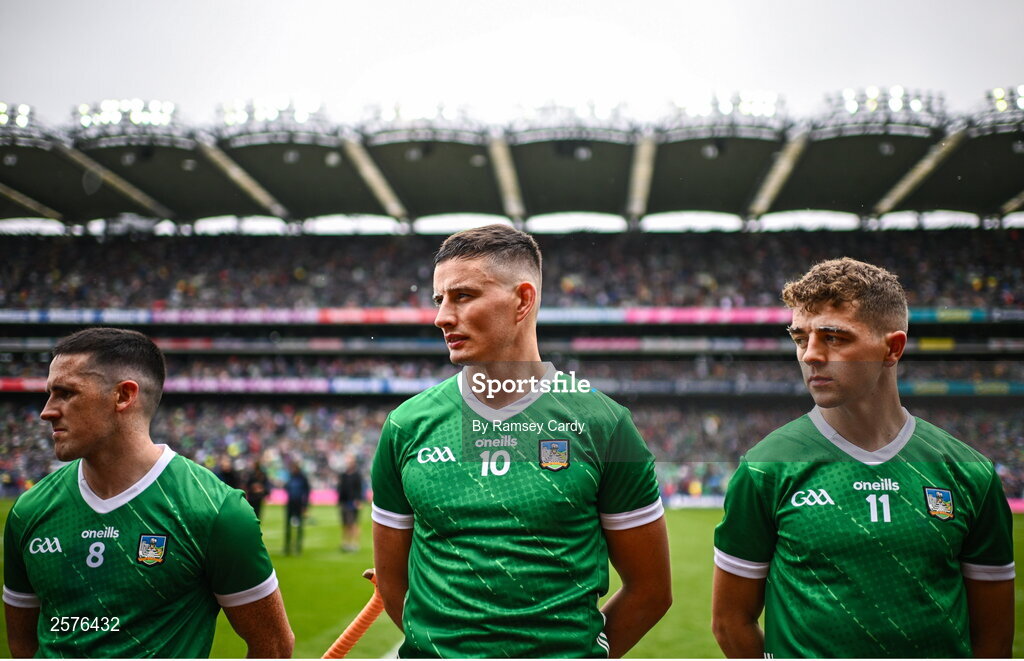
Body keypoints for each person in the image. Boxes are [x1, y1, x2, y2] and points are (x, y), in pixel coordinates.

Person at [371, 224, 671, 658]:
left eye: (463, 296)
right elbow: (394, 584)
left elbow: (651, 591)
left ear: (523, 300)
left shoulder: (605, 425)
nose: (441, 317)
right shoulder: (405, 426)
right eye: (439, 300)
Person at [711, 258, 1015, 658]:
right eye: (800, 338)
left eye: (834, 338)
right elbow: (730, 622)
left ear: (893, 348)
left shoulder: (969, 472)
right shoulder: (765, 467)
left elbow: (993, 641)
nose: (810, 355)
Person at [2, 327, 293, 658]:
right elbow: (22, 646)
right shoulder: (30, 510)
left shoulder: (216, 511)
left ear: (124, 396)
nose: (47, 410)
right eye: (50, 394)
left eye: (66, 393)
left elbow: (274, 646)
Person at [283, 459, 310, 555]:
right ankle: (287, 547)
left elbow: (307, 492)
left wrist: (305, 505)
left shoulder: (302, 478)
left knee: (299, 527)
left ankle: (298, 547)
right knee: (287, 526)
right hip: (290, 503)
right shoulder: (291, 477)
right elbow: (286, 487)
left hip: (299, 504)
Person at [336, 456, 364, 552]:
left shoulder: (357, 475)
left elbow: (360, 489)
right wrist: (339, 501)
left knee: (354, 524)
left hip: (353, 503)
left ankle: (355, 543)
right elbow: (340, 489)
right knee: (345, 524)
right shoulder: (343, 475)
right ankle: (346, 543)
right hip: (344, 502)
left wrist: (359, 500)